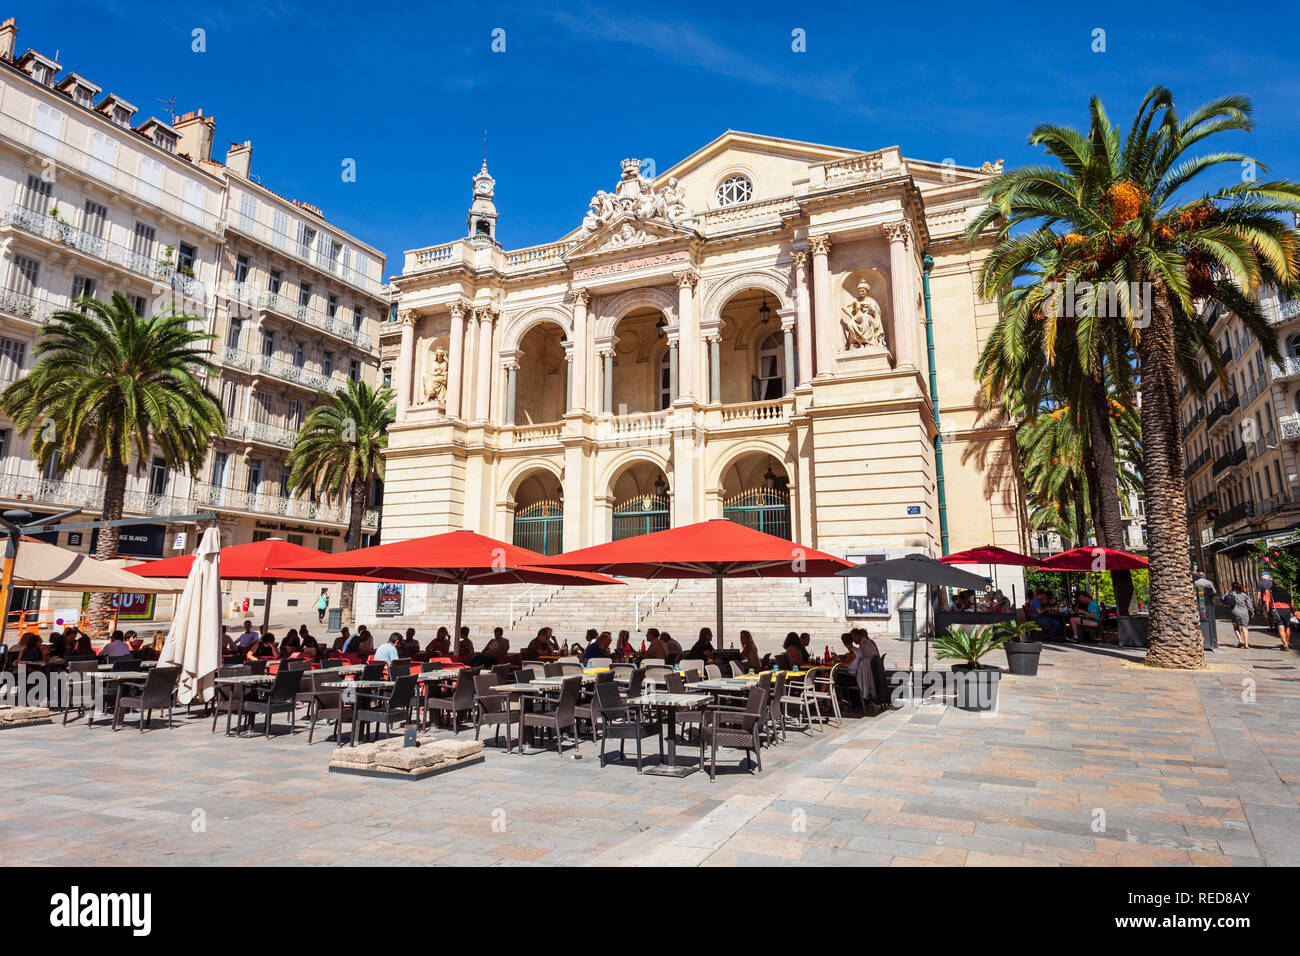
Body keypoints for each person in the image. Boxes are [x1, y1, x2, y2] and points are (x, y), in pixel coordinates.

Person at [1224, 581, 1253, 648]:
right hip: (1244, 612)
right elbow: (1249, 605)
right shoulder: (1245, 595)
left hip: (1235, 612)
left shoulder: (1231, 593)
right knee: (1244, 628)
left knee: (1236, 627)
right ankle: (1246, 644)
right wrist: (1252, 611)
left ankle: (1240, 640)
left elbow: (1223, 598)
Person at [1270, 582, 1294, 651]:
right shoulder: (1285, 592)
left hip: (1277, 611)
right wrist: (1293, 610)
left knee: (1280, 628)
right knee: (1287, 627)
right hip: (1286, 610)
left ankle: (1285, 645)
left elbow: (1267, 603)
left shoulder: (1270, 592)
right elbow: (1291, 602)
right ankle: (1287, 642)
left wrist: (1268, 611)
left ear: (1273, 585)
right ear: (1281, 584)